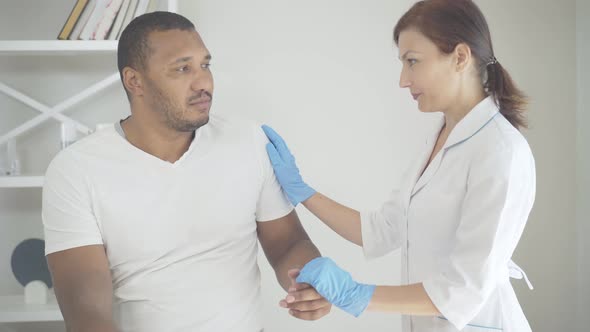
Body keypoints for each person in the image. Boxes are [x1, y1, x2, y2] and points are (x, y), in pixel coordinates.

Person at [42, 12, 331, 332]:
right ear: (134, 81)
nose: (203, 82)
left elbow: (287, 243)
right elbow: (87, 311)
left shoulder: (249, 142)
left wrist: (309, 279)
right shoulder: (76, 170)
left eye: (205, 65)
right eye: (182, 68)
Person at [263, 0, 535, 331]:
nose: (403, 80)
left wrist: (354, 294)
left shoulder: (500, 152)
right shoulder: (439, 137)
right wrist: (301, 191)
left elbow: (462, 291)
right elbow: (384, 229)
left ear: (460, 57)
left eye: (413, 62)